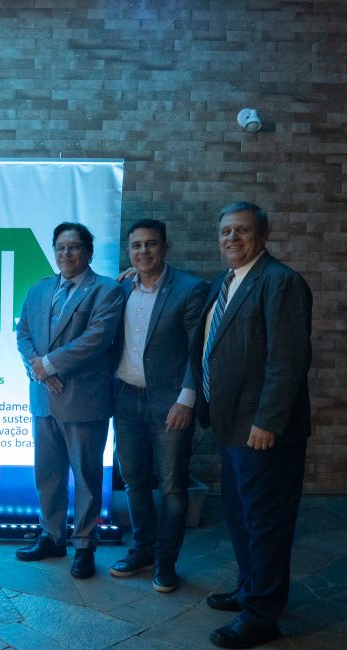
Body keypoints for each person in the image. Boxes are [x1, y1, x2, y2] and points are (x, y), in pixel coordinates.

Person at [191, 202, 312, 649]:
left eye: (241, 231)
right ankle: (249, 590)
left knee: (265, 523)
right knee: (241, 517)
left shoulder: (280, 281)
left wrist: (267, 421)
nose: (232, 238)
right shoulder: (223, 282)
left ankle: (262, 616)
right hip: (231, 426)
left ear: (262, 235)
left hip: (262, 432)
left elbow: (288, 361)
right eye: (225, 231)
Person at [15, 221, 124, 578]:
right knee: (47, 474)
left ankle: (85, 546)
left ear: (88, 252)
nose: (66, 253)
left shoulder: (106, 290)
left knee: (87, 478)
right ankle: (52, 537)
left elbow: (97, 338)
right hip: (44, 398)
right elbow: (23, 334)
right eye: (60, 247)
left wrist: (48, 365)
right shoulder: (39, 289)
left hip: (83, 400)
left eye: (74, 247)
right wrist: (38, 370)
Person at [110, 219, 207, 593]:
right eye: (136, 245)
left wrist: (187, 398)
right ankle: (144, 550)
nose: (143, 251)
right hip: (125, 399)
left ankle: (166, 561)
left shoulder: (189, 289)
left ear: (165, 247)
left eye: (151, 244)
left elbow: (199, 350)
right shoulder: (121, 288)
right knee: (134, 480)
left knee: (172, 487)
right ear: (129, 251)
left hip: (170, 404)